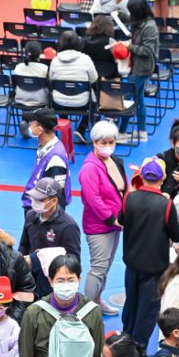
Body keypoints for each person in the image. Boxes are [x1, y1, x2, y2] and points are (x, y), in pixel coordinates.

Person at [118, 157, 179, 347]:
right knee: (148, 309)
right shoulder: (166, 204)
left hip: (132, 263)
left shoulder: (130, 198)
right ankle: (139, 347)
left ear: (141, 175)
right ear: (162, 178)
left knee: (131, 303)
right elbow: (176, 234)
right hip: (155, 267)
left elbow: (121, 220)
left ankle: (125, 340)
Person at [79, 121, 126, 315]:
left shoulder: (114, 161)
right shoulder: (90, 168)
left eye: (111, 142)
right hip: (99, 226)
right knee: (98, 268)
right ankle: (87, 309)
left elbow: (123, 188)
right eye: (103, 142)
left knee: (105, 266)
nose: (107, 145)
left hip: (117, 224)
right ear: (94, 142)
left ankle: (97, 299)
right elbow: (93, 199)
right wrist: (110, 218)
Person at [19, 178, 82, 298]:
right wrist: (20, 267)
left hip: (52, 280)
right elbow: (24, 245)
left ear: (54, 201)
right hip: (30, 276)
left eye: (41, 199)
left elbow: (73, 260)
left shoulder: (68, 226)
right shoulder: (30, 215)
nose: (35, 201)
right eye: (34, 198)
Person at [116, 0, 158, 144]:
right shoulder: (140, 21)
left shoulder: (150, 27)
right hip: (136, 66)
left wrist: (130, 47)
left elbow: (147, 50)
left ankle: (122, 132)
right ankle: (142, 132)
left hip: (142, 68)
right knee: (139, 99)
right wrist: (119, 14)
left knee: (128, 99)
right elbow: (129, 20)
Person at [21, 109, 70, 212]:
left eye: (32, 123)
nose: (29, 126)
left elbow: (56, 197)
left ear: (40, 130)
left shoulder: (56, 159)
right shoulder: (45, 147)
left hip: (40, 212)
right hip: (34, 206)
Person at [48, 30, 98, 112]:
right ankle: (85, 121)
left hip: (59, 101)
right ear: (78, 43)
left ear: (60, 43)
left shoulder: (55, 60)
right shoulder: (86, 59)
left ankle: (63, 118)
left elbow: (51, 80)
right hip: (82, 101)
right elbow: (94, 79)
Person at [12, 42, 50, 112]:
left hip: (20, 99)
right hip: (40, 101)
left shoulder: (18, 67)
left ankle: (26, 116)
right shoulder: (44, 68)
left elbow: (14, 86)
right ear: (39, 54)